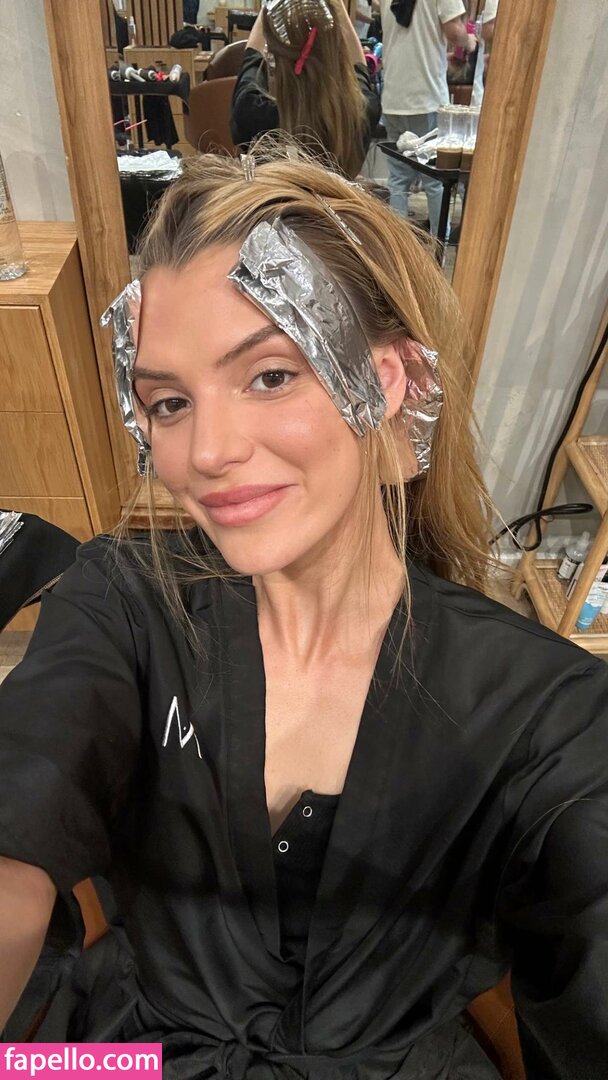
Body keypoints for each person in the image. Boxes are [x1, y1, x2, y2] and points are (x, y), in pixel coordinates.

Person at [1, 146, 608, 1080]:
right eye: (169, 401)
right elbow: (21, 791)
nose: (207, 450)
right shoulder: (122, 603)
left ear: (388, 380)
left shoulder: (543, 712)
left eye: (270, 376)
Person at [231, 0, 381, 178]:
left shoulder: (254, 112)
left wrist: (268, 5)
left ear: (274, 58)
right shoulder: (359, 114)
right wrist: (337, 5)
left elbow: (251, 61)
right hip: (335, 197)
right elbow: (359, 69)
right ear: (338, 53)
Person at [380, 0, 476, 232]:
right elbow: (454, 32)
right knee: (435, 181)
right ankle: (438, 243)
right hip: (426, 98)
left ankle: (398, 243)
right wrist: (470, 41)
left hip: (393, 97)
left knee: (398, 180)